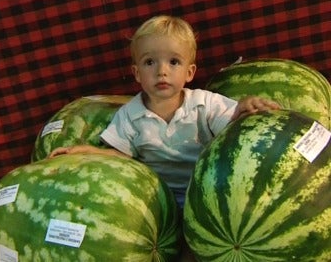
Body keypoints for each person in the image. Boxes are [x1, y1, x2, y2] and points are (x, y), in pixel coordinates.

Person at [49, 15, 280, 206]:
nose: (162, 71)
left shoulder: (203, 103)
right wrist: (86, 151)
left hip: (209, 192)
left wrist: (246, 105)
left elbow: (233, 126)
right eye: (150, 62)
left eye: (173, 62)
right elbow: (121, 156)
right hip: (160, 201)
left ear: (189, 73)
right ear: (137, 73)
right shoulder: (129, 115)